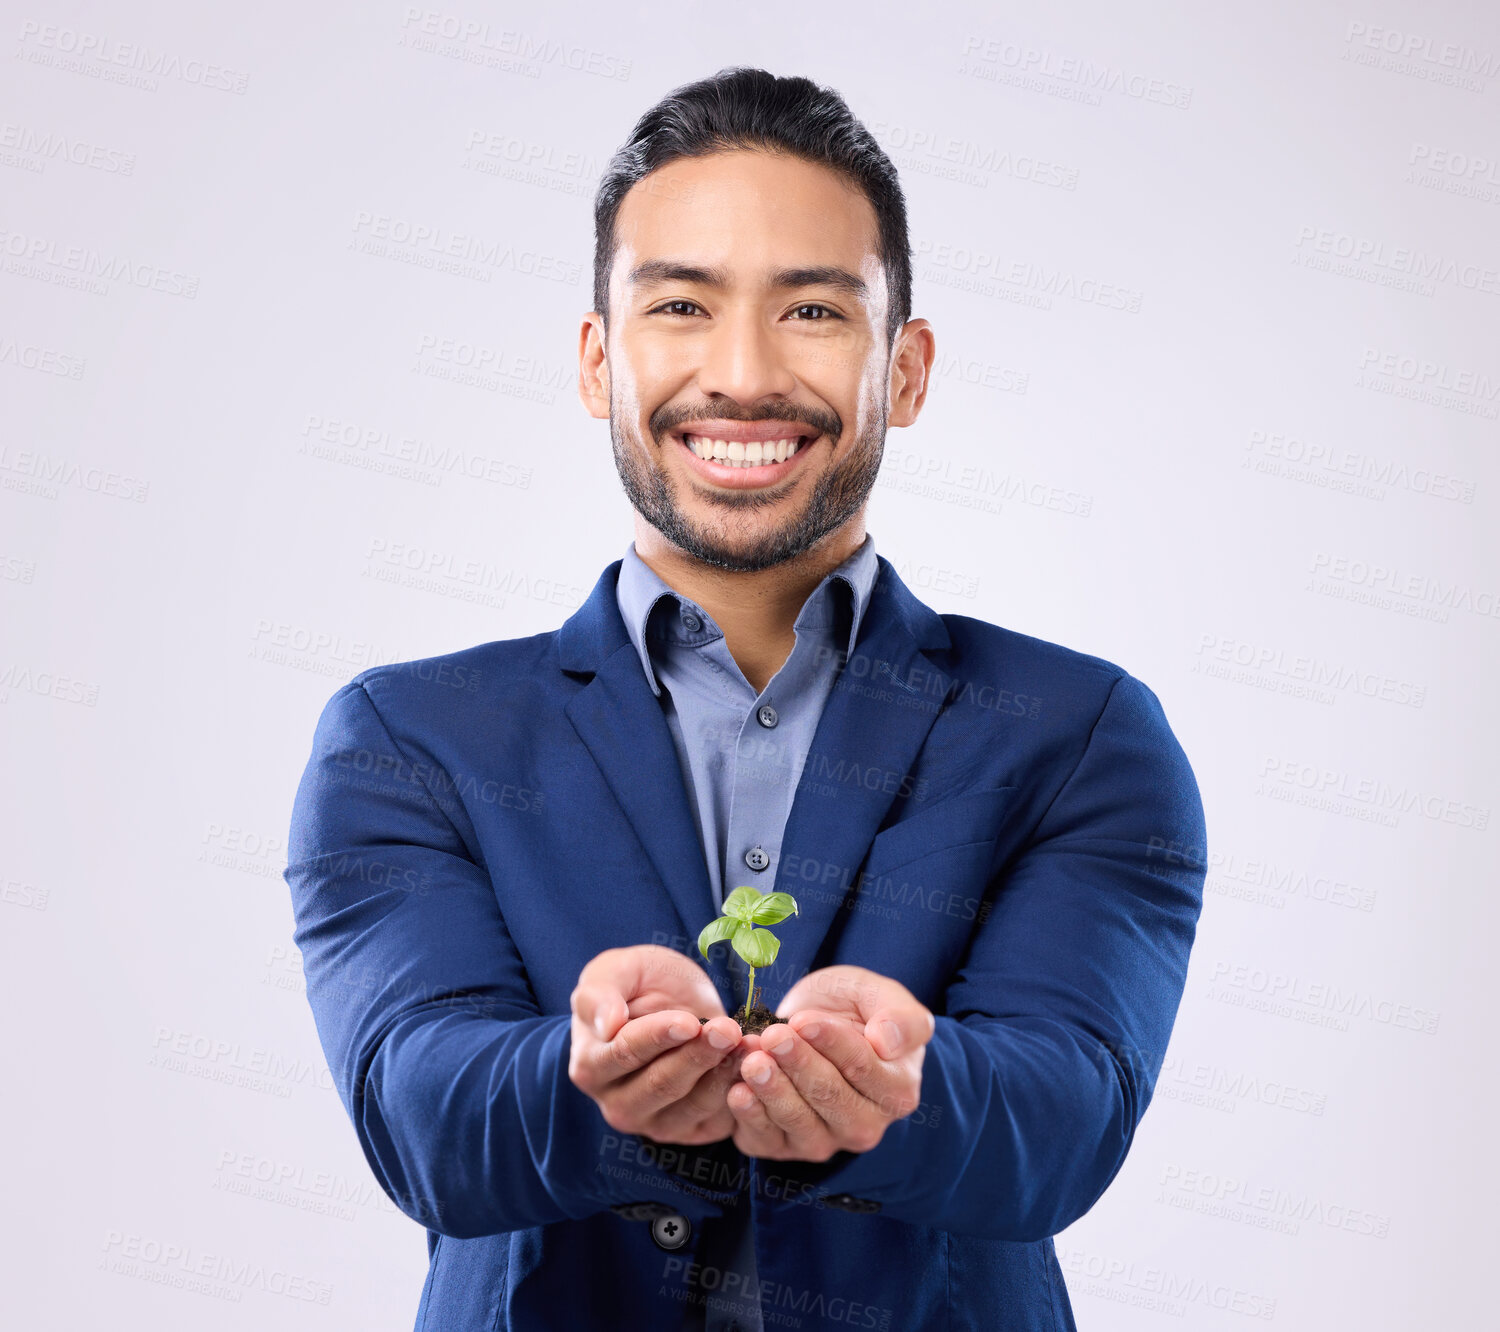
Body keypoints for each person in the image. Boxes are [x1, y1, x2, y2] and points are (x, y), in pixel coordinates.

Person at [283, 66, 1207, 1332]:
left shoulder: (1081, 734)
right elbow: (420, 1112)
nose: (743, 375)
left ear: (910, 368)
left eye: (815, 310)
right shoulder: (406, 742)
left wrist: (907, 1085)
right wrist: (582, 1077)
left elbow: (1070, 1115)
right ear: (600, 362)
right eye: (680, 304)